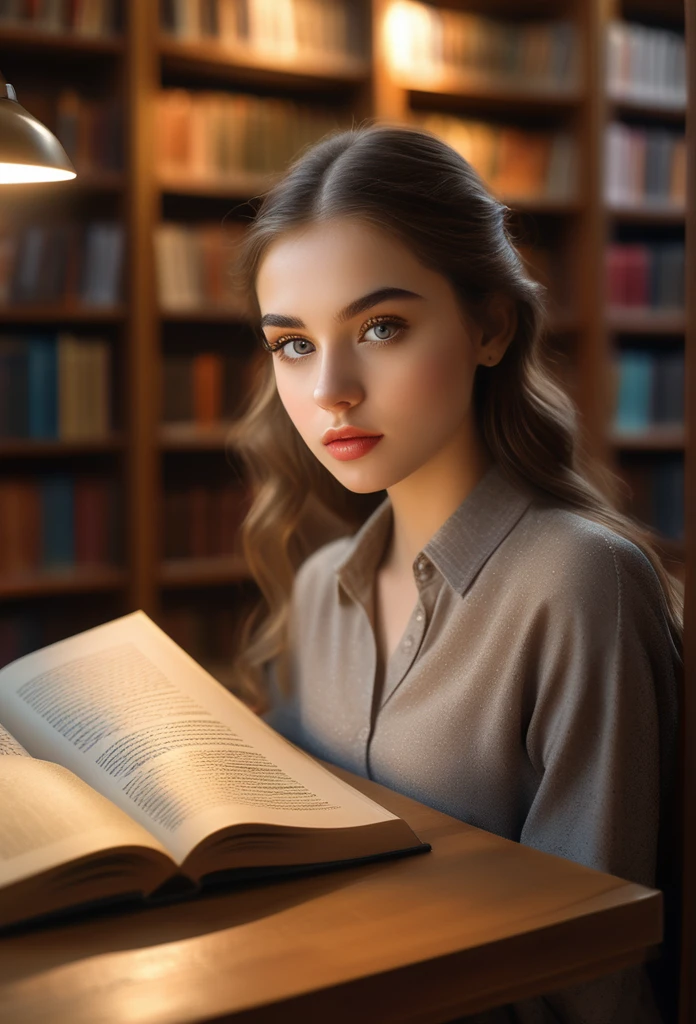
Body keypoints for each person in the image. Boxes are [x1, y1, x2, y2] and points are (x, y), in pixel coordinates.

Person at [226, 123, 683, 1023]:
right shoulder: (322, 587)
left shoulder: (580, 583)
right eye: (294, 344)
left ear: (490, 326)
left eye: (380, 327)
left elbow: (590, 976)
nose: (330, 392)